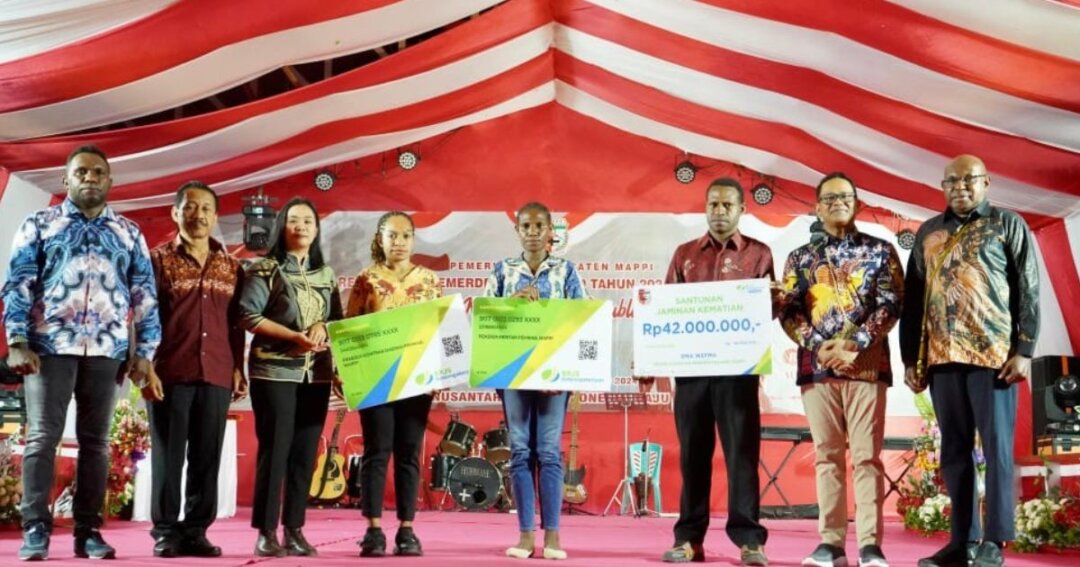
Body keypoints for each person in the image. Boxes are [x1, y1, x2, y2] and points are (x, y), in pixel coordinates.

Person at [2, 145, 161, 561]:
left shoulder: (128, 233)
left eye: (97, 172)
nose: (89, 178)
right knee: (42, 438)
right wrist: (17, 341)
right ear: (66, 180)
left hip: (107, 350)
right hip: (48, 347)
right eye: (81, 172)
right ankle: (35, 529)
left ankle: (88, 531)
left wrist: (144, 352)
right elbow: (17, 283)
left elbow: (145, 296)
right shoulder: (39, 224)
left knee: (97, 444)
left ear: (109, 181)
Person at [900, 155, 1039, 567]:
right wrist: (912, 358)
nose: (960, 187)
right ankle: (961, 541)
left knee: (995, 449)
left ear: (986, 183)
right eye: (952, 181)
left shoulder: (1007, 224)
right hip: (942, 358)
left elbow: (1027, 289)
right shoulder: (928, 232)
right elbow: (913, 302)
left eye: (969, 180)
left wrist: (1025, 349)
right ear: (943, 186)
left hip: (993, 357)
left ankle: (995, 541)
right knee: (954, 453)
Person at [777, 173, 904, 567]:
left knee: (867, 457)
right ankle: (831, 544)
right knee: (827, 457)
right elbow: (789, 310)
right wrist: (820, 345)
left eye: (845, 197)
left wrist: (856, 344)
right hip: (816, 370)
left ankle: (870, 545)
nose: (837, 203)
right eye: (828, 198)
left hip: (866, 369)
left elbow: (891, 304)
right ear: (817, 207)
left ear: (857, 203)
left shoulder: (881, 250)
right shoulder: (799, 258)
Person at [661, 178, 770, 566]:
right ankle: (689, 539)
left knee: (742, 456)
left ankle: (749, 540)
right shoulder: (684, 254)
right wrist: (650, 357)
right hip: (691, 375)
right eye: (713, 204)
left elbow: (767, 312)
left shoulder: (759, 255)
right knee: (693, 457)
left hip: (738, 375)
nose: (719, 211)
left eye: (727, 205)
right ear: (705, 208)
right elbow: (664, 313)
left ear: (742, 210)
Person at [143, 181, 247, 558]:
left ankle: (196, 531)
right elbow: (142, 316)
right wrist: (144, 366)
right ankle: (166, 531)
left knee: (207, 456)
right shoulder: (157, 260)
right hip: (169, 371)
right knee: (167, 457)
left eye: (205, 208)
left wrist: (238, 367)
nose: (198, 214)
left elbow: (237, 323)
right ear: (175, 213)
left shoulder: (231, 265)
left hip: (217, 372)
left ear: (215, 217)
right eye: (189, 207)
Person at [237, 197, 343, 558]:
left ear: (317, 231)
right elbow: (247, 315)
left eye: (308, 221)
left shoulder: (326, 275)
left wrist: (321, 328)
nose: (301, 226)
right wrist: (293, 336)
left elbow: (338, 324)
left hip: (316, 376)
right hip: (274, 371)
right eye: (294, 220)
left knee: (303, 454)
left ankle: (295, 529)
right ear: (282, 226)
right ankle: (266, 531)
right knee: (276, 450)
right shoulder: (264, 268)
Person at [482, 202, 587, 560]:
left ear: (550, 231)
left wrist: (570, 369)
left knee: (548, 450)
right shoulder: (502, 271)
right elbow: (483, 319)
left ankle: (553, 535)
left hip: (554, 376)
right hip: (513, 374)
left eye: (539, 225)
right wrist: (511, 304)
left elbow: (582, 320)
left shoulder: (566, 271)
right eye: (525, 225)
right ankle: (525, 534)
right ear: (517, 230)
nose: (532, 231)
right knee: (520, 451)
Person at [347, 212, 442, 557]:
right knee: (376, 450)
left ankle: (407, 529)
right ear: (380, 239)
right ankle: (373, 529)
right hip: (376, 379)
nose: (399, 242)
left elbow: (438, 332)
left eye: (405, 236)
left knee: (408, 453)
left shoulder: (430, 281)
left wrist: (439, 374)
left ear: (414, 240)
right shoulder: (366, 279)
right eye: (392, 235)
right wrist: (349, 376)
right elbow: (350, 331)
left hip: (416, 381)